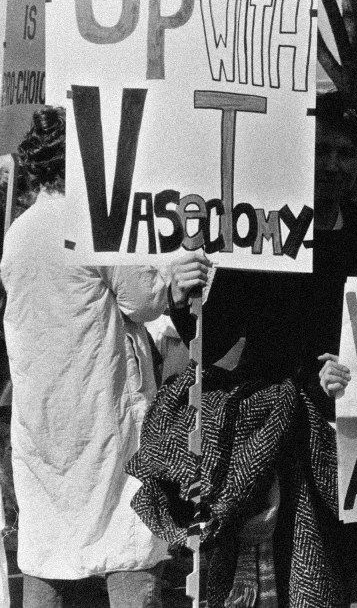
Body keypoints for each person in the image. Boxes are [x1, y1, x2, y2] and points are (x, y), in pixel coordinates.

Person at [131, 91, 357, 607]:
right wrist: (187, 295)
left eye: (347, 153)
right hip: (264, 433)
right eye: (321, 150)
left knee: (333, 572)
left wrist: (352, 373)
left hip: (339, 433)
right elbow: (213, 341)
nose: (334, 165)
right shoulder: (261, 237)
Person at [1, 106, 208, 608]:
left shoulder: (19, 233)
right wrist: (174, 268)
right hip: (101, 410)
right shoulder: (94, 224)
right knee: (127, 541)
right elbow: (144, 298)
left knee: (48, 547)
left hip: (44, 418)